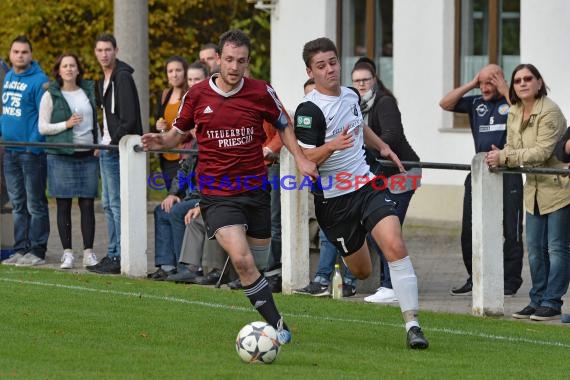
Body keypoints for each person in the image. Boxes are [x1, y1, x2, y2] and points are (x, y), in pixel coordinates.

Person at [141, 29, 317, 345]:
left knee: (257, 265)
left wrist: (302, 159)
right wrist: (161, 141)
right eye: (230, 60)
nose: (235, 67)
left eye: (242, 61)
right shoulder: (196, 96)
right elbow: (177, 135)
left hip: (254, 190)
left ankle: (260, 304)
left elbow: (283, 124)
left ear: (247, 63)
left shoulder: (261, 91)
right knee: (242, 260)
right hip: (217, 194)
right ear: (218, 59)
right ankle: (278, 326)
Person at [294, 37, 428, 349]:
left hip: (366, 186)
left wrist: (382, 146)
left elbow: (359, 126)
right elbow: (305, 160)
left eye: (333, 62)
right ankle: (347, 264)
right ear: (310, 71)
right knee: (363, 270)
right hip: (334, 202)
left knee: (395, 245)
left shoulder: (352, 95)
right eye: (321, 65)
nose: (330, 69)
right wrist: (331, 146)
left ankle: (413, 325)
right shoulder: (309, 110)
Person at [485, 64, 570, 321]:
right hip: (532, 189)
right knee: (534, 249)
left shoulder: (550, 111)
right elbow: (512, 146)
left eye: (528, 79)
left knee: (556, 249)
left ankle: (552, 302)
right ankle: (537, 300)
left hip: (558, 189)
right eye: (518, 80)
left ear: (539, 83)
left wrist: (504, 157)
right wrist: (503, 156)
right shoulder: (515, 111)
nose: (522, 83)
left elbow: (542, 153)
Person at [439, 64, 524, 296]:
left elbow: (522, 112)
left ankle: (510, 281)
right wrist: (472, 82)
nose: (486, 88)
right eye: (483, 83)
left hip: (509, 171)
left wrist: (505, 88)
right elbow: (445, 104)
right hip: (480, 172)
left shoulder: (512, 102)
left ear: (500, 81)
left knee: (511, 229)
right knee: (470, 228)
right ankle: (475, 277)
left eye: (491, 82)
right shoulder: (476, 102)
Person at [352, 57, 421, 304]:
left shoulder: (384, 102)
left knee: (387, 231)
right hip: (383, 177)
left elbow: (392, 135)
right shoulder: (358, 106)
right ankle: (397, 281)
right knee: (376, 231)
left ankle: (391, 286)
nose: (361, 85)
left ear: (375, 80)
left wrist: (360, 143)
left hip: (403, 173)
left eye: (365, 80)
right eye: (356, 81)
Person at [294, 78, 358, 298]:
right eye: (308, 95)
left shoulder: (346, 103)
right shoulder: (308, 115)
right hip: (323, 183)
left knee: (351, 231)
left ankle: (349, 279)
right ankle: (322, 279)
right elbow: (306, 153)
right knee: (327, 231)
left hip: (350, 182)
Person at [86, 33, 142, 275]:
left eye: (108, 49)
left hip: (118, 149)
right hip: (108, 148)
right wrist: (102, 142)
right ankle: (112, 252)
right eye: (99, 50)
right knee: (108, 204)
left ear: (116, 50)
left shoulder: (122, 78)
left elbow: (129, 119)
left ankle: (120, 254)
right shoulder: (103, 80)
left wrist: (112, 142)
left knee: (117, 204)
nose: (104, 54)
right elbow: (106, 118)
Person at [38, 54, 99, 269]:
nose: (69, 69)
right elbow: (43, 127)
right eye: (65, 66)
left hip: (87, 155)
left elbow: (97, 122)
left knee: (87, 204)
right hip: (61, 155)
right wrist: (66, 123)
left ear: (78, 69)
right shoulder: (50, 94)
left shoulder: (88, 91)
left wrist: (98, 144)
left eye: (73, 65)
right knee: (63, 204)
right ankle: (67, 253)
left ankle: (89, 253)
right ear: (59, 70)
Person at [0, 36, 50, 267]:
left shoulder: (40, 81)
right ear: (10, 54)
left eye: (24, 52)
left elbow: (44, 116)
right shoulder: (8, 76)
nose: (20, 56)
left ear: (30, 55)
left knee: (35, 203)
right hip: (9, 151)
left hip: (31, 153)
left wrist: (33, 145)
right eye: (16, 52)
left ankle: (37, 250)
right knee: (18, 203)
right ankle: (20, 249)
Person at [154, 56, 189, 182]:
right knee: (170, 194)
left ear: (185, 72)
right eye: (170, 71)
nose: (174, 75)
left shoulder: (190, 94)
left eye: (178, 70)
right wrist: (158, 126)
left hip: (184, 156)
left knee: (182, 196)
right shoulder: (165, 95)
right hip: (166, 155)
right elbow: (159, 118)